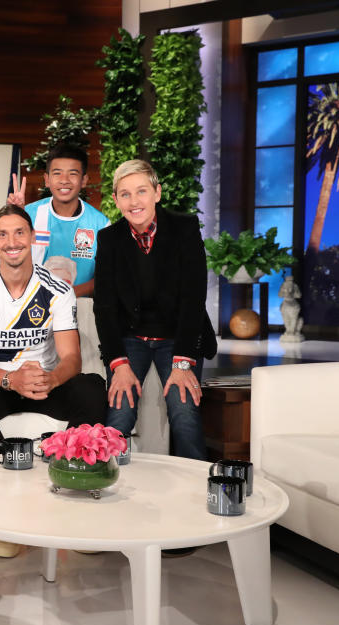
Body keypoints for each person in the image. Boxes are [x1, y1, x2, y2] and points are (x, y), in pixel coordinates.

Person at [0, 204, 106, 446]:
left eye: (19, 232)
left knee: (91, 388)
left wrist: (51, 379)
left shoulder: (59, 289)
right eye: (3, 234)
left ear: (33, 236)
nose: (12, 242)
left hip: (44, 383)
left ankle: (71, 464)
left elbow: (72, 358)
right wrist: (11, 379)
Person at [93, 159, 216, 460]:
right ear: (116, 200)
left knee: (183, 412)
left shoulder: (185, 229)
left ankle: (194, 493)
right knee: (119, 414)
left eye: (142, 191)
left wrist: (183, 362)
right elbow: (104, 307)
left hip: (178, 338)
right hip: (131, 338)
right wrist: (118, 365)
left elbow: (193, 299)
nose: (134, 202)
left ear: (157, 193)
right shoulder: (109, 239)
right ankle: (110, 486)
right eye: (125, 194)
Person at [8, 144, 109, 298]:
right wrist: (13, 218)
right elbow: (2, 259)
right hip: (31, 307)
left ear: (84, 180)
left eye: (72, 174)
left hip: (80, 309)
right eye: (57, 173)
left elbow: (105, 278)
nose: (64, 180)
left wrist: (66, 296)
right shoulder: (27, 214)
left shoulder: (101, 224)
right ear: (47, 180)